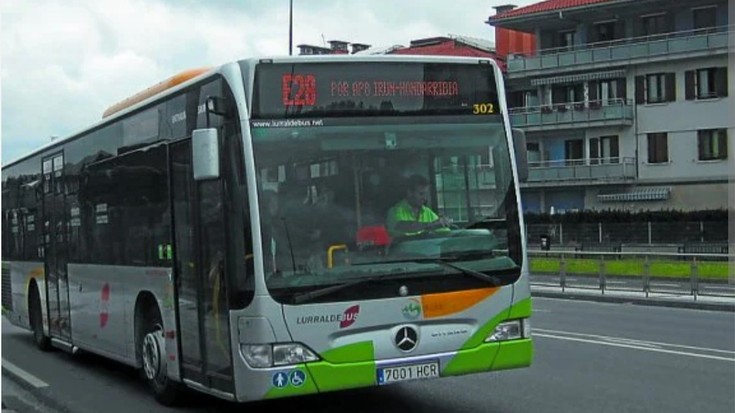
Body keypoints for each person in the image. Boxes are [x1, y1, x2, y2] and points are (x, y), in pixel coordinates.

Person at [385, 174, 452, 239]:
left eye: (426, 194)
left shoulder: (427, 212)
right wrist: (430, 225)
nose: (425, 198)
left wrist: (443, 223)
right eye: (421, 194)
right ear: (409, 192)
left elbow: (444, 232)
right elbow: (401, 227)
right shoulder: (394, 211)